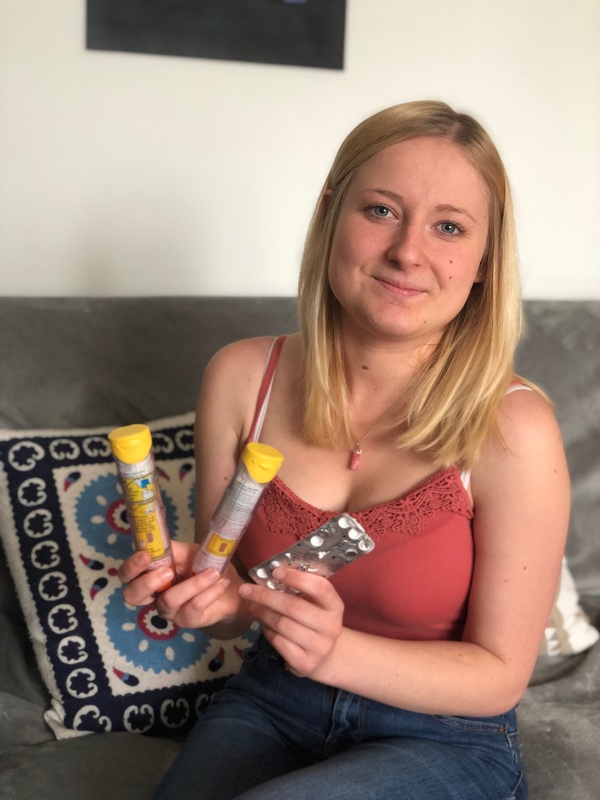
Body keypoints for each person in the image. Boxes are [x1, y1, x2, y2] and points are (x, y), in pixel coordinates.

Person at [119, 100, 570, 799]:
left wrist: (336, 650)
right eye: (382, 210)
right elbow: (238, 603)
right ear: (331, 213)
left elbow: (499, 674)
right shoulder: (244, 381)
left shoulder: (515, 429)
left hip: (443, 732)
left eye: (449, 227)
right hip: (271, 701)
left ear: (483, 260)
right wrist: (207, 595)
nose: (408, 252)